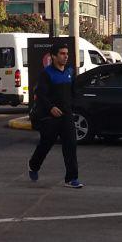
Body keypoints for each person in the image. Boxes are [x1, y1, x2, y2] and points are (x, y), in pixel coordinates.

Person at [29, 43, 82, 188]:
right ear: (53, 56)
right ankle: (33, 165)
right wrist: (51, 107)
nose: (65, 56)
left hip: (67, 116)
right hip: (50, 117)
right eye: (62, 54)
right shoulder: (46, 74)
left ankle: (71, 178)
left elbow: (73, 91)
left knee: (70, 146)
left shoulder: (70, 71)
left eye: (67, 53)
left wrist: (74, 106)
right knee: (45, 144)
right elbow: (40, 94)